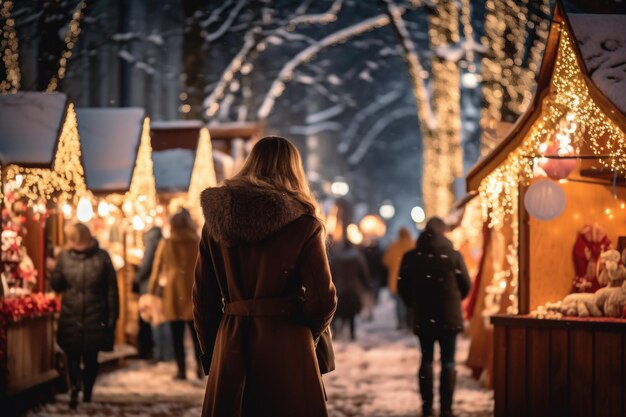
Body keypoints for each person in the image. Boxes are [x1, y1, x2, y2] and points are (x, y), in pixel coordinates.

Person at [193, 136, 337, 417]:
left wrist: (214, 351)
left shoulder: (215, 225)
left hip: (231, 340)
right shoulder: (304, 225)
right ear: (294, 170)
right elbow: (323, 300)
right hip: (288, 344)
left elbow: (203, 298)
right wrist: (308, 335)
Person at [398, 217, 471, 417]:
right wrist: (453, 300)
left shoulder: (411, 256)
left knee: (426, 359)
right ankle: (446, 408)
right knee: (448, 361)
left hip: (424, 316)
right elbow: (466, 284)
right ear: (443, 233)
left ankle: (427, 406)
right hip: (449, 317)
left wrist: (414, 305)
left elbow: (402, 287)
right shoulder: (453, 255)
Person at [50, 223, 119, 410]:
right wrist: (55, 268)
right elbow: (57, 285)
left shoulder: (102, 256)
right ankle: (75, 388)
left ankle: (87, 392)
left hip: (95, 315)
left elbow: (111, 290)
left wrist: (113, 317)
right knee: (72, 354)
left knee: (90, 357)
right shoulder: (64, 257)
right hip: (71, 313)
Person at [148, 209, 202, 380]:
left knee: (176, 334)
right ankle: (200, 367)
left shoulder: (167, 243)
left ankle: (181, 370)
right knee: (197, 334)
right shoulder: (197, 242)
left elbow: (156, 269)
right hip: (194, 289)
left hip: (173, 293)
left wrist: (151, 291)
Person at [329, 240, 371, 340]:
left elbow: (331, 272)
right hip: (353, 288)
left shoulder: (336, 257)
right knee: (351, 313)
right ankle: (352, 333)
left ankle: (335, 331)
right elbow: (363, 272)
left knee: (337, 311)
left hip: (340, 288)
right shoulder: (357, 257)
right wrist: (366, 285)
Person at [132, 225, 162, 359]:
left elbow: (147, 263)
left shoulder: (151, 240)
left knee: (148, 318)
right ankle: (156, 351)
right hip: (156, 286)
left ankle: (149, 351)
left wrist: (136, 279)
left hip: (148, 285)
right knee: (155, 318)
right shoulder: (160, 238)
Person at [383, 227, 415, 329]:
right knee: (410, 302)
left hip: (396, 279)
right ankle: (409, 321)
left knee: (399, 303)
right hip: (411, 280)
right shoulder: (413, 245)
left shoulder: (393, 247)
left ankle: (401, 321)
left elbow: (386, 261)